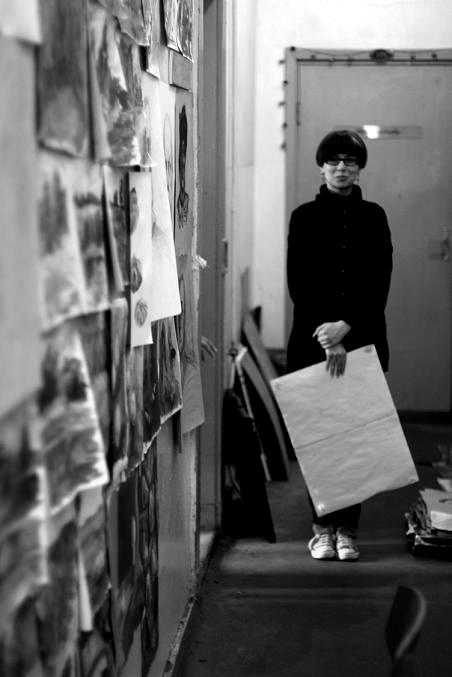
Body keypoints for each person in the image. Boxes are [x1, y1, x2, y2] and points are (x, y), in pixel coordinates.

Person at [286, 129, 393, 562]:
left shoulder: (374, 216)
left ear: (360, 168)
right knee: (320, 439)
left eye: (350, 161)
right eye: (333, 161)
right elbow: (300, 283)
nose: (342, 168)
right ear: (321, 167)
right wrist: (326, 336)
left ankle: (347, 529)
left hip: (361, 338)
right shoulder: (304, 216)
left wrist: (346, 326)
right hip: (313, 342)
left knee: (354, 438)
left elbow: (379, 279)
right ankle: (321, 529)